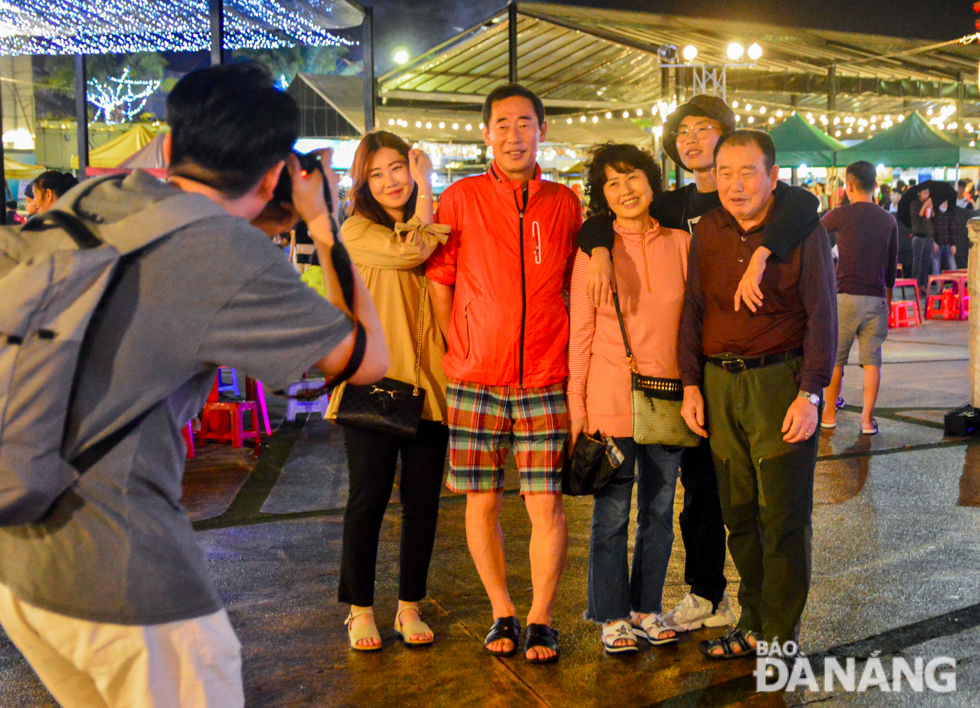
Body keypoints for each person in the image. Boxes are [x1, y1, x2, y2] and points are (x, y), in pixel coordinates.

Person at [0, 63, 388, 708]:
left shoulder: (96, 201)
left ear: (172, 148)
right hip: (126, 579)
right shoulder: (223, 258)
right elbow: (366, 359)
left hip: (22, 562)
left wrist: (264, 221)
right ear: (272, 176)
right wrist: (323, 224)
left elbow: (180, 281)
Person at [575, 94, 820, 635]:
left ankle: (750, 613)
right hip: (686, 380)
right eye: (681, 131)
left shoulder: (776, 204)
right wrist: (595, 249)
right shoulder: (674, 206)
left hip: (754, 377)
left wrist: (762, 253)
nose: (690, 139)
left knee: (744, 501)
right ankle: (705, 593)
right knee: (702, 499)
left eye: (703, 128)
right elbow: (608, 218)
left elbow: (807, 207)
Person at [427, 83, 581, 664]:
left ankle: (540, 616)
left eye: (525, 123)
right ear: (485, 133)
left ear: (541, 130)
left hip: (545, 374)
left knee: (546, 504)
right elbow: (441, 281)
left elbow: (574, 283)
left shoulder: (565, 203)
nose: (513, 134)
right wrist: (458, 344)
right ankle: (502, 611)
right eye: (502, 124)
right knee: (481, 500)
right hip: (474, 376)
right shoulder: (460, 198)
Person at [678, 129, 836, 661]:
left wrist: (811, 394)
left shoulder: (799, 231)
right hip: (720, 383)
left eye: (749, 172)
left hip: (779, 382)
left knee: (784, 515)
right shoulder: (710, 230)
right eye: (725, 173)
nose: (736, 184)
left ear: (773, 176)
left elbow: (823, 317)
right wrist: (691, 385)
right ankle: (751, 618)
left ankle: (779, 632)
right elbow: (694, 310)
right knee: (738, 512)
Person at [332, 132, 450, 651]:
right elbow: (413, 253)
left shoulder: (422, 223)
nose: (390, 182)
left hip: (430, 386)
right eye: (376, 174)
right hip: (376, 385)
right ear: (363, 182)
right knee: (368, 500)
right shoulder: (357, 230)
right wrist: (426, 187)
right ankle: (359, 610)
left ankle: (409, 605)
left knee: (423, 504)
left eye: (398, 168)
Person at [568, 143, 688, 654]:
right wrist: (579, 411)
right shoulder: (593, 251)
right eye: (612, 183)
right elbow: (581, 336)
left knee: (659, 512)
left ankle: (647, 607)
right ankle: (612, 615)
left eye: (632, 177)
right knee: (612, 514)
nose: (625, 190)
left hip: (668, 400)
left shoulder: (682, 244)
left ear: (652, 180)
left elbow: (694, 325)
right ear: (602, 194)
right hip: (610, 398)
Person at [818, 161, 899, 435]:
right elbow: (892, 264)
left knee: (836, 362)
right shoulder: (888, 220)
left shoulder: (839, 214)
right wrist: (886, 299)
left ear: (848, 185)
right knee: (872, 361)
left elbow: (816, 233)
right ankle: (866, 421)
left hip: (844, 298)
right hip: (875, 299)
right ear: (875, 185)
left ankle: (829, 416)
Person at [909, 185, 934, 296]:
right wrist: (925, 205)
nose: (926, 195)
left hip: (928, 235)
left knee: (926, 261)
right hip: (918, 236)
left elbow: (931, 216)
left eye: (928, 193)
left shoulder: (928, 204)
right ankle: (915, 285)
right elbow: (919, 215)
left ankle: (923, 285)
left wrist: (931, 208)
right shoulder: (914, 204)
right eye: (924, 192)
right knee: (917, 262)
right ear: (919, 193)